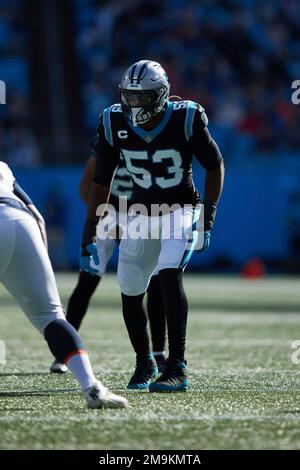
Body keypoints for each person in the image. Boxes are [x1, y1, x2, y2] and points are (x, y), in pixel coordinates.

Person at [80, 60, 224, 392]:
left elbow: (215, 166)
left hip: (180, 207)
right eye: (129, 96)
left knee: (170, 272)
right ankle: (144, 361)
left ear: (159, 95)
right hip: (139, 213)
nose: (133, 104)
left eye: (141, 97)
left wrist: (208, 213)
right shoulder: (112, 120)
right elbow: (102, 179)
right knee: (130, 288)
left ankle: (177, 366)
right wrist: (91, 226)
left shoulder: (185, 118)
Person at [0, 161, 128, 409]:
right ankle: (91, 387)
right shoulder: (2, 166)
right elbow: (37, 215)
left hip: (17, 219)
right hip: (19, 220)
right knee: (52, 317)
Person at [50, 139, 167, 374]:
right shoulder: (113, 136)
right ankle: (63, 353)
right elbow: (86, 186)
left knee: (154, 282)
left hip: (140, 217)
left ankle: (157, 352)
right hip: (108, 213)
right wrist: (103, 218)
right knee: (87, 282)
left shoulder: (155, 136)